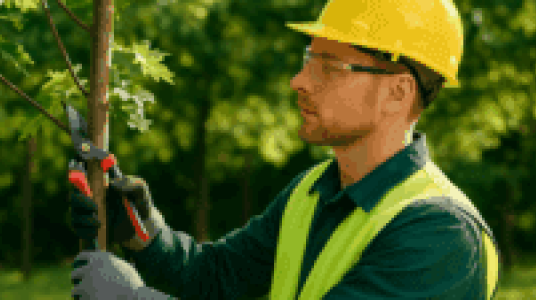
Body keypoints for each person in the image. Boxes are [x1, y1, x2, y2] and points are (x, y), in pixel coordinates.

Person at [69, 0, 501, 299]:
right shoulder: (313, 191)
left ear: (398, 92)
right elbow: (216, 276)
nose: (299, 81)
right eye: (307, 59)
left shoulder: (440, 234)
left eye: (329, 67)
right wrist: (145, 234)